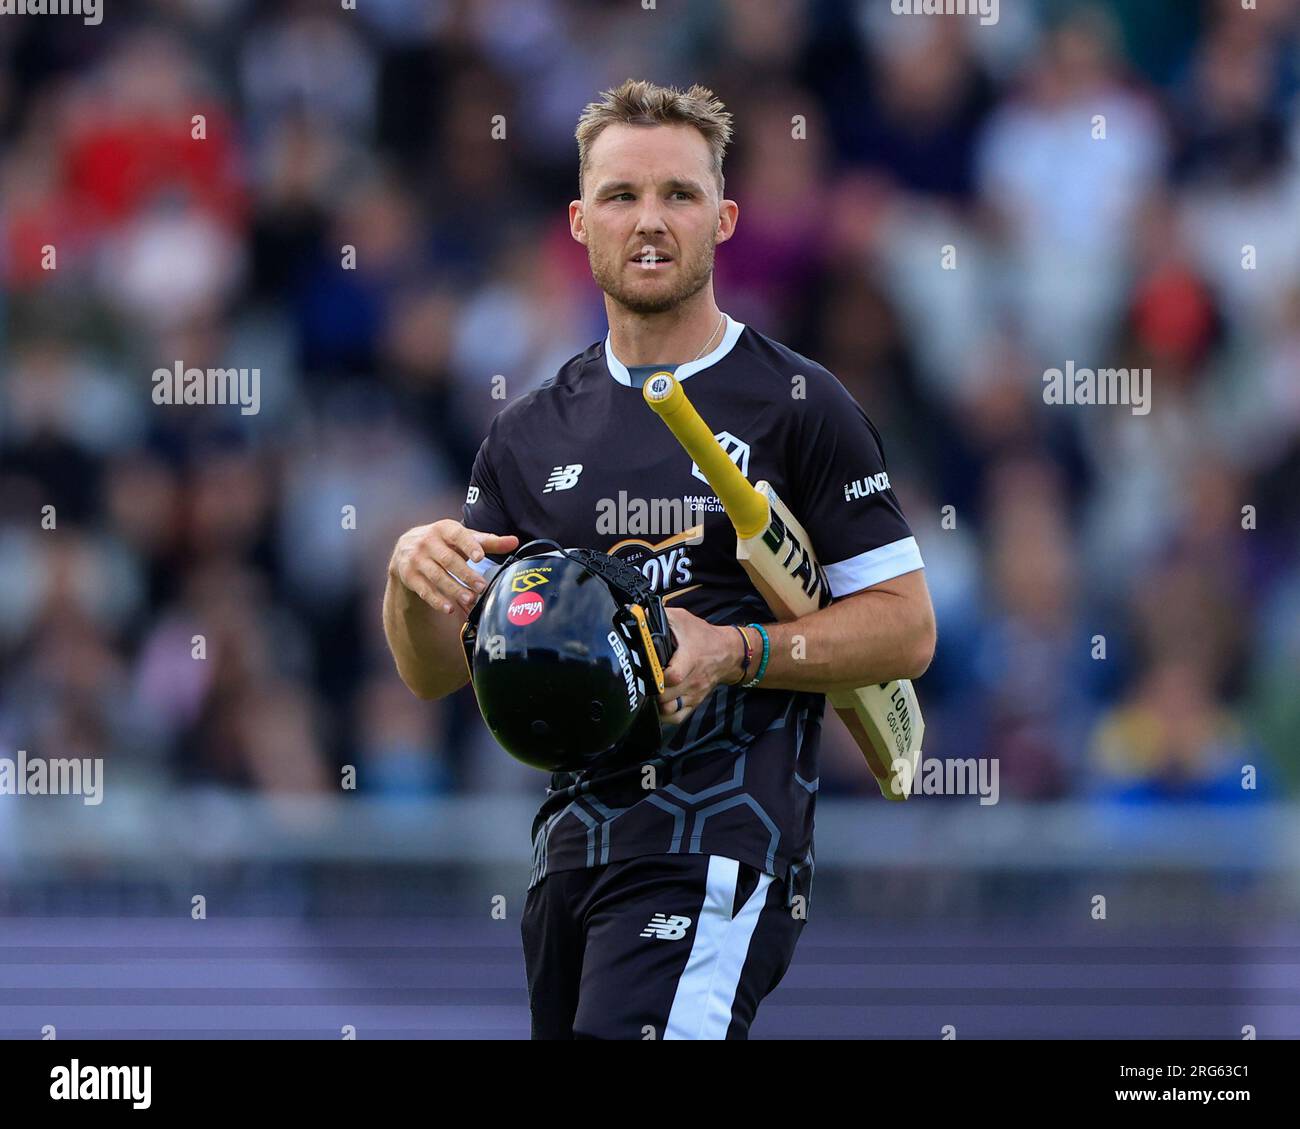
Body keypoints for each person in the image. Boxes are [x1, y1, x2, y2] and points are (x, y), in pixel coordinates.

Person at [382, 79, 935, 1039]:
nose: (650, 221)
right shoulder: (523, 433)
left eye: (678, 195)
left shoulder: (800, 405)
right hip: (571, 853)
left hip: (719, 840)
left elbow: (907, 627)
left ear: (723, 218)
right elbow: (436, 672)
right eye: (621, 195)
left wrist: (736, 651)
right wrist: (407, 575)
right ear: (578, 221)